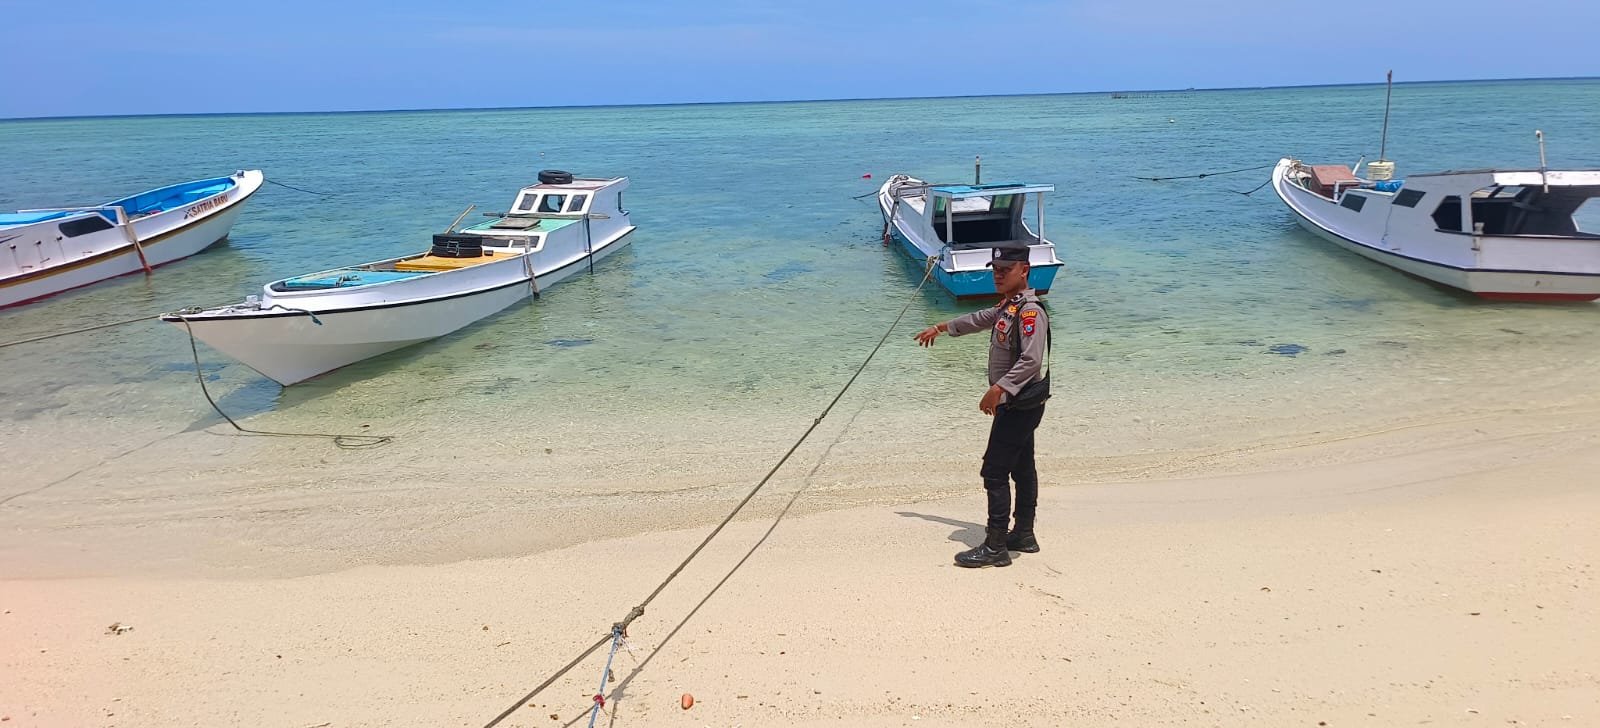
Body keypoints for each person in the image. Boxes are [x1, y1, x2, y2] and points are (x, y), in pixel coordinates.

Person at [914, 245, 1051, 568]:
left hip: (1018, 404)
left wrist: (998, 389)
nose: (998, 275)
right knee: (1022, 467)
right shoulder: (1010, 306)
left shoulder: (1030, 313)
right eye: (995, 270)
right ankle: (1024, 534)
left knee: (994, 470)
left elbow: (1031, 360)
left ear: (1024, 270)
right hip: (1020, 402)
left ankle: (995, 546)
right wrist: (942, 327)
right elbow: (980, 319)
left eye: (1005, 270)